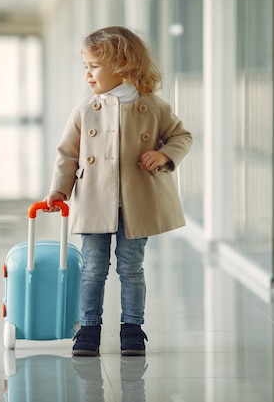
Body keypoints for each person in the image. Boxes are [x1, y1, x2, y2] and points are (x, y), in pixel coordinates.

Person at [44, 26, 192, 356]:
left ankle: (133, 329)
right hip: (96, 201)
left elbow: (181, 136)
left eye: (93, 66)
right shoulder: (86, 109)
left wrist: (163, 154)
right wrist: (59, 190)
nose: (87, 75)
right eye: (85, 66)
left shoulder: (152, 106)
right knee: (93, 268)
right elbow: (68, 153)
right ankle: (89, 329)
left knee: (131, 267)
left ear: (122, 64)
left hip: (136, 204)